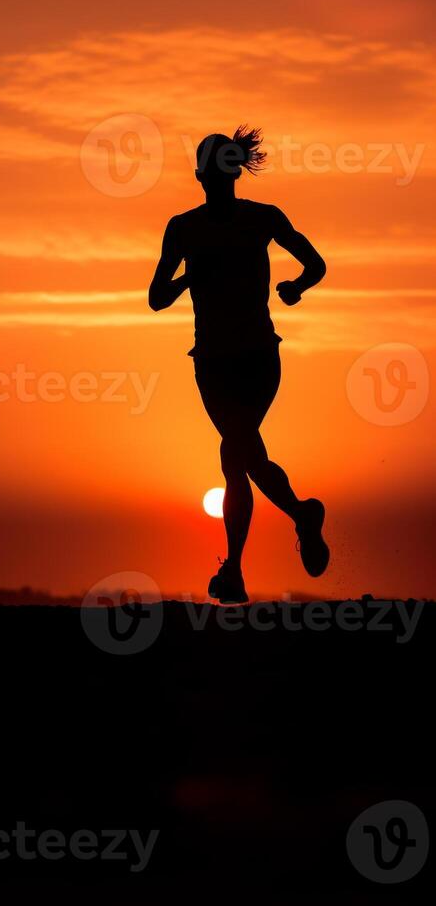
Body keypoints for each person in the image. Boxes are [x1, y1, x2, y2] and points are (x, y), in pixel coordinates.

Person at [149, 127, 329, 604]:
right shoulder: (183, 228)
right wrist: (191, 276)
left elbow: (316, 264)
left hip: (256, 356)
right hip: (210, 362)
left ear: (227, 173)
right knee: (242, 456)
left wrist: (296, 287)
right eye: (212, 172)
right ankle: (300, 516)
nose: (216, 180)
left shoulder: (263, 219)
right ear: (201, 176)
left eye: (220, 171)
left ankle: (234, 570)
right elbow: (155, 298)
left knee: (236, 454)